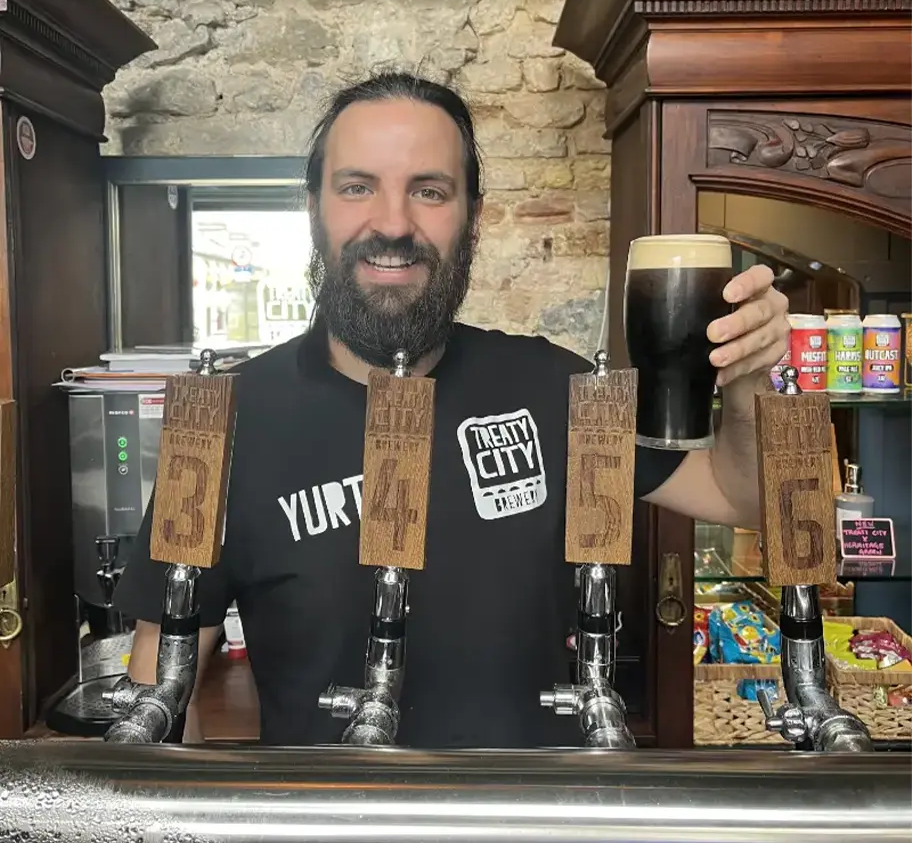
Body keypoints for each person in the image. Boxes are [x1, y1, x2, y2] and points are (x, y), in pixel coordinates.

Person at [115, 72, 789, 748]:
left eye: (429, 191)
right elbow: (160, 690)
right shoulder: (221, 421)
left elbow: (739, 494)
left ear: (474, 215)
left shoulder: (558, 386)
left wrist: (748, 379)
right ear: (313, 207)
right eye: (357, 186)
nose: (392, 224)